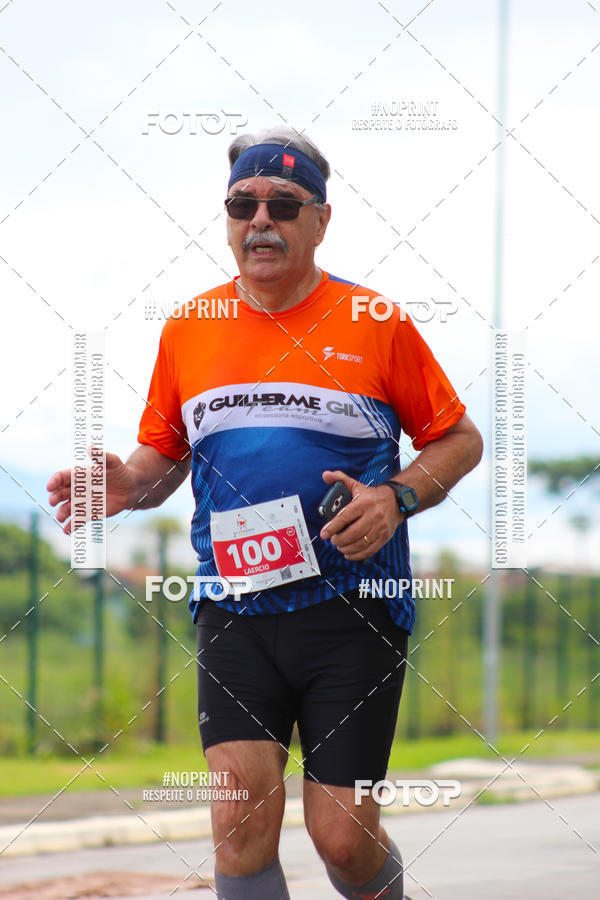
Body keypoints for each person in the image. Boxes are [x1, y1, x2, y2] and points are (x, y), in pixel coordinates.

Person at [47, 127, 483, 900]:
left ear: (320, 220)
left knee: (343, 838)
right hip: (234, 607)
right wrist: (128, 486)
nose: (260, 220)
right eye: (242, 204)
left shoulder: (375, 320)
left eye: (282, 205)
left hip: (353, 608)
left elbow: (458, 438)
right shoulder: (190, 327)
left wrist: (398, 496)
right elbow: (164, 457)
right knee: (239, 820)